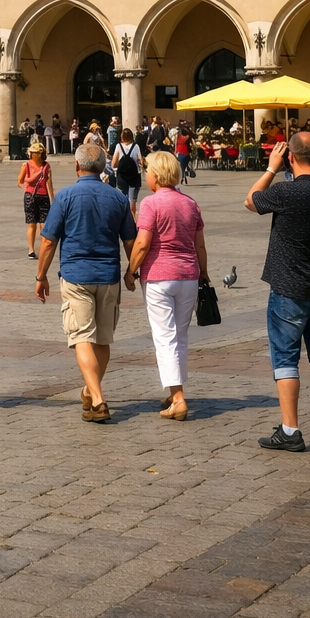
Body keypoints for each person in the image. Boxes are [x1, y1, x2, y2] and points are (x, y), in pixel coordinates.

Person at [246, 131, 310, 451]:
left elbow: (251, 200)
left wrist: (271, 168)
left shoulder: (285, 192)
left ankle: (290, 430)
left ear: (290, 157)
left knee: (286, 359)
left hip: (289, 290)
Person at [36, 141, 137, 423]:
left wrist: (41, 275)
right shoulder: (117, 198)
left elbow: (48, 241)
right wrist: (132, 272)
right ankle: (90, 391)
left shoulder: (65, 197)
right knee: (103, 340)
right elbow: (131, 240)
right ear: (104, 166)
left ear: (77, 165)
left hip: (76, 275)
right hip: (108, 277)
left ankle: (99, 398)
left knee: (81, 337)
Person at [127, 151, 209, 419]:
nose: (145, 175)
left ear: (156, 175)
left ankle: (178, 398)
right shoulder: (190, 203)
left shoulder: (151, 203)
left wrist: (130, 271)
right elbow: (200, 245)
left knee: (165, 337)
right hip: (188, 276)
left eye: (147, 170)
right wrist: (204, 273)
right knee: (180, 336)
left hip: (160, 276)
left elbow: (142, 243)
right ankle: (175, 389)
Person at [17, 140, 54, 258]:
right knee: (31, 224)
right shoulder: (26, 165)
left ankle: (44, 247)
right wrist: (27, 190)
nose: (34, 155)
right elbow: (20, 181)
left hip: (43, 196)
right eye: (33, 152)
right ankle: (31, 250)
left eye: (37, 153)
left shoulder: (46, 166)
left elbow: (49, 183)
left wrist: (52, 199)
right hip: (30, 196)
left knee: (44, 224)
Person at [112, 129, 144, 217]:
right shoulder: (136, 146)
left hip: (122, 176)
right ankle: (132, 219)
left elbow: (113, 163)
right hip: (134, 176)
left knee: (121, 198)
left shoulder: (118, 146)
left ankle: (122, 218)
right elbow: (140, 161)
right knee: (132, 200)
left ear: (122, 136)